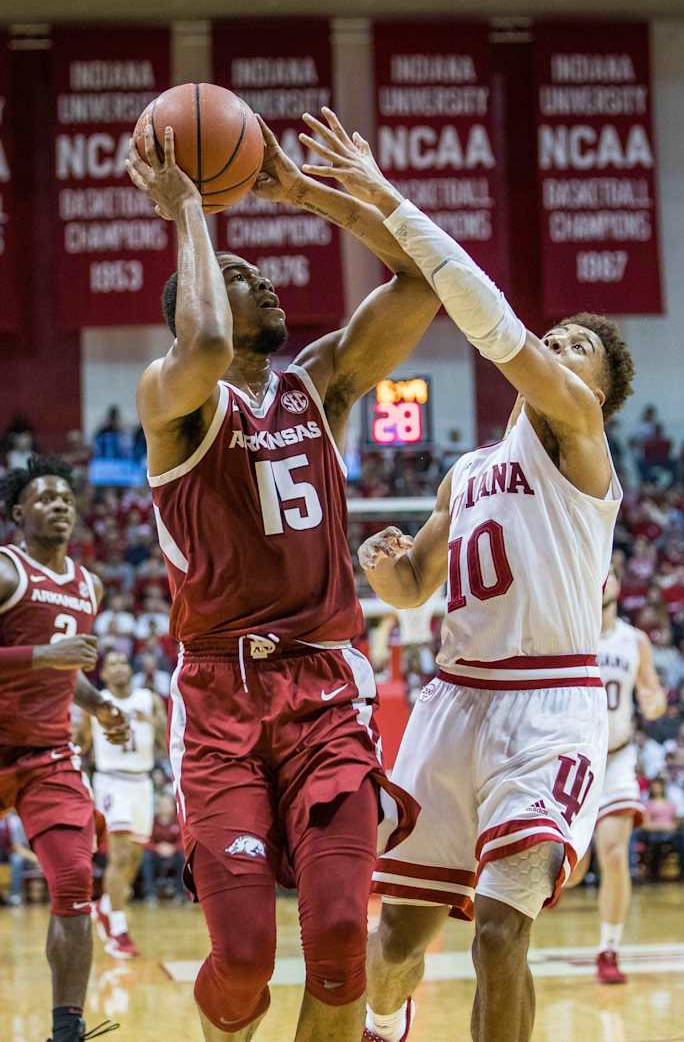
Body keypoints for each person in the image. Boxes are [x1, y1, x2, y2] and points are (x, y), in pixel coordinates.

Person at [304, 115, 634, 1042]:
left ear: (598, 389)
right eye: (557, 339)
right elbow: (415, 589)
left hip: (548, 702)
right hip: (456, 700)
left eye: (579, 348)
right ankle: (387, 1020)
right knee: (397, 937)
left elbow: (485, 314)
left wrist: (381, 197)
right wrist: (394, 568)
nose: (559, 349)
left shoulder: (577, 430)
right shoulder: (466, 471)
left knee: (498, 931)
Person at [124, 107, 439, 1042]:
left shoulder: (321, 383)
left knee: (343, 937)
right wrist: (189, 211)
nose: (262, 281)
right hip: (220, 694)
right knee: (247, 962)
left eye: (258, 274)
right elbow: (210, 348)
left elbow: (423, 279)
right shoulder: (170, 398)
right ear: (188, 305)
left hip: (321, 690)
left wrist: (310, 193)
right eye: (235, 278)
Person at [0, 455, 129, 1042]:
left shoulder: (88, 585)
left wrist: (99, 704)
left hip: (47, 755)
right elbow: (46, 658)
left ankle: (67, 1030)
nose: (60, 506)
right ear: (18, 513)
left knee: (75, 880)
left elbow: (64, 673)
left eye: (67, 499)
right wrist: (41, 657)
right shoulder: (5, 571)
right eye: (45, 498)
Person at [567, 568, 666, 983]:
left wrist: (654, 700)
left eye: (607, 573)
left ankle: (608, 950)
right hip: (574, 759)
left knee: (613, 853)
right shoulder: (570, 631)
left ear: (618, 585)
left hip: (619, 758)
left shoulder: (635, 640)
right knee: (571, 869)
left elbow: (654, 696)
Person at [76, 649, 166, 959]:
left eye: (122, 663)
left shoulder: (148, 699)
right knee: (121, 854)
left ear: (131, 668)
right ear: (102, 675)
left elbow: (168, 743)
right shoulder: (96, 703)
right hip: (111, 780)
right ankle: (118, 929)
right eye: (110, 665)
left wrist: (153, 722)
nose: (117, 668)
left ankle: (104, 907)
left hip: (142, 782)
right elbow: (82, 744)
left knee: (134, 860)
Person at [141, 793, 186, 902]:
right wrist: (157, 848)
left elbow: (184, 840)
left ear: (173, 806)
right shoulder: (152, 820)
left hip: (174, 855)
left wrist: (173, 848)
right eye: (162, 804)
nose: (164, 806)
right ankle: (150, 893)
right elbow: (145, 840)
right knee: (145, 856)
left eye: (167, 804)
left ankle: (181, 893)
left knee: (183, 856)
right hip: (156, 855)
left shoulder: (179, 820)